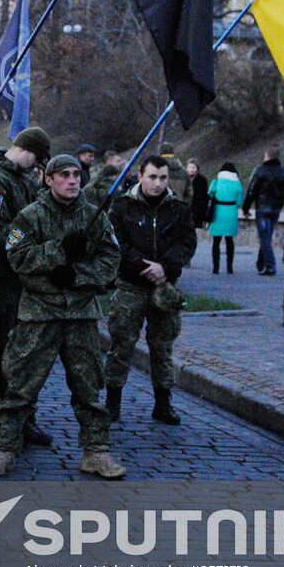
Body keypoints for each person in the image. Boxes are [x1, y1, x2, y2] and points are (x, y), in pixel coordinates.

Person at [0, 154, 124, 480]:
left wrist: (77, 276)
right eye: (64, 175)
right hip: (39, 314)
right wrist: (58, 252)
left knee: (89, 386)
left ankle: (96, 450)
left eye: (76, 174)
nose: (72, 180)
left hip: (81, 314)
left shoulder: (95, 217)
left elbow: (110, 260)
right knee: (20, 384)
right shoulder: (30, 217)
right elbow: (17, 259)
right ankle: (4, 448)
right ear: (48, 179)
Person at [0, 126, 49, 449]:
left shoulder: (22, 180)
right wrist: (26, 242)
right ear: (29, 152)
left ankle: (20, 417)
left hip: (17, 282)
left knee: (18, 356)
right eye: (39, 160)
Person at [104, 155, 197, 426]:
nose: (157, 183)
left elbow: (187, 242)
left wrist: (165, 267)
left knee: (163, 346)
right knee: (121, 344)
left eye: (163, 177)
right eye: (153, 177)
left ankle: (163, 402)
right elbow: (115, 240)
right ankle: (113, 400)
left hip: (164, 287)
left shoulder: (178, 209)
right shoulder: (122, 206)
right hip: (131, 285)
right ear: (141, 176)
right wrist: (142, 265)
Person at [241, 147, 284, 276]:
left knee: (264, 237)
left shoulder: (260, 171)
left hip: (262, 208)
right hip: (276, 209)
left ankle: (270, 265)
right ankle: (261, 262)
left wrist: (246, 208)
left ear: (268, 157)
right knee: (267, 236)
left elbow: (252, 190)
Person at [206, 162, 243, 274]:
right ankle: (229, 266)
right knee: (229, 240)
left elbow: (209, 194)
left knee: (216, 241)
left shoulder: (216, 182)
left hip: (217, 212)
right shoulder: (237, 184)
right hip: (231, 213)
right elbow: (239, 201)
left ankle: (215, 267)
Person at [187, 160, 210, 229]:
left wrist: (203, 212)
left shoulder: (202, 180)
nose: (191, 170)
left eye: (193, 167)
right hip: (185, 209)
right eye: (190, 167)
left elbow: (204, 197)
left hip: (197, 210)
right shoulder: (183, 178)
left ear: (197, 169)